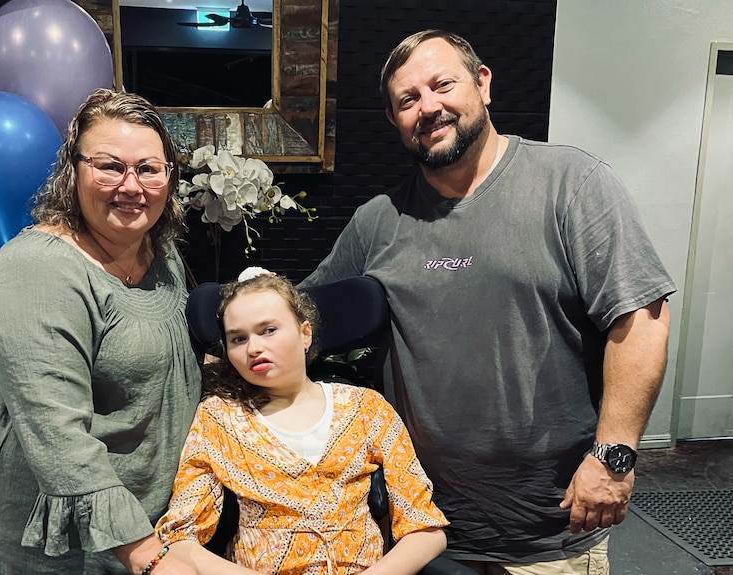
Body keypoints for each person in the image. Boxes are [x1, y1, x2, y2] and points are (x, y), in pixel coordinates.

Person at [298, 30, 677, 574]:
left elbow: (640, 321)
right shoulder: (378, 221)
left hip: (549, 530)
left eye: (442, 84)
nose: (428, 107)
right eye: (408, 100)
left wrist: (613, 458)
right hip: (418, 529)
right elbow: (299, 320)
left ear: (483, 84)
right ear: (394, 121)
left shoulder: (571, 184)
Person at [0, 89, 201, 575]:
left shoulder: (161, 254)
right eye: (109, 165)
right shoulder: (34, 272)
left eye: (148, 168)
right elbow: (58, 437)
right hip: (45, 542)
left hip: (145, 527)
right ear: (72, 171)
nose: (131, 185)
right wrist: (148, 556)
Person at [154, 273, 449, 574]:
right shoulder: (219, 418)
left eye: (268, 330)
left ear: (304, 333)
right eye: (238, 338)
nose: (253, 348)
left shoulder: (366, 408)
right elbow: (178, 539)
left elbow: (426, 530)